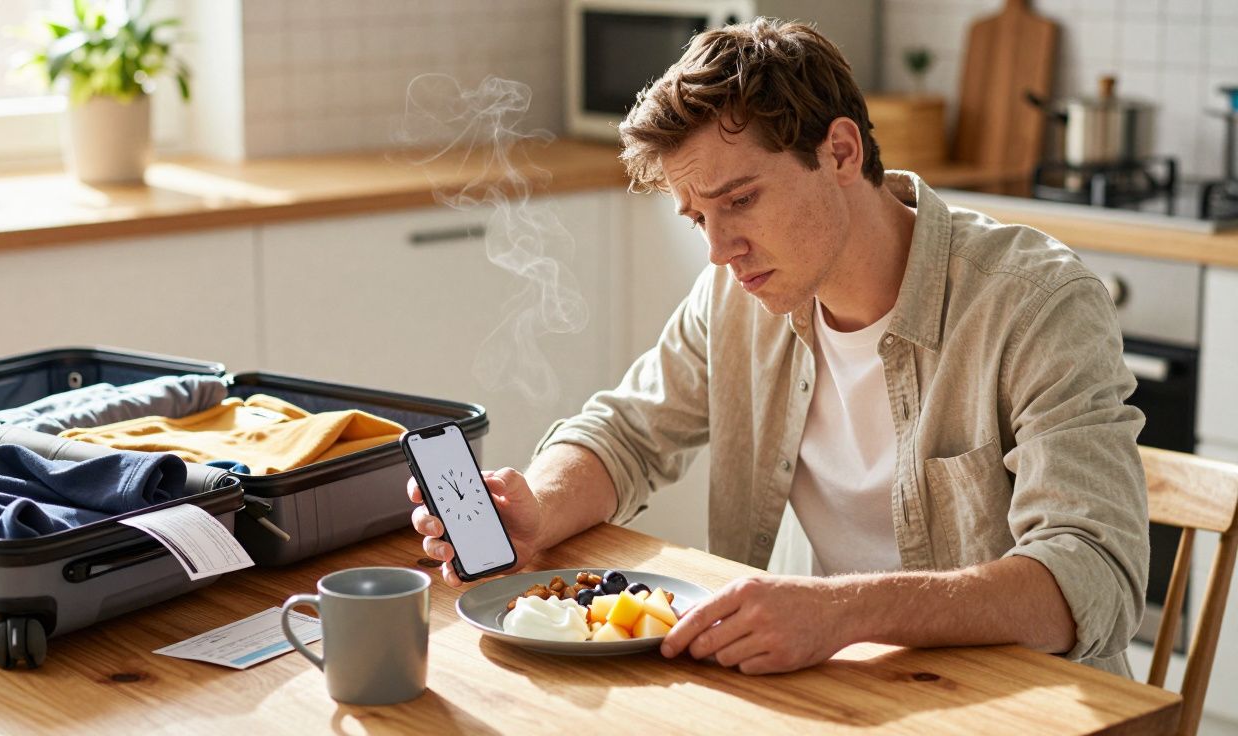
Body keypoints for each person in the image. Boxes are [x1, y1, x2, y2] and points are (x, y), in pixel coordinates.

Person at [408, 18, 1148, 677]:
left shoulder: (1037, 303)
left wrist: (843, 611)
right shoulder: (742, 293)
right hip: (834, 689)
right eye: (698, 217)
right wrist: (539, 504)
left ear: (841, 152)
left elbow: (1091, 577)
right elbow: (628, 432)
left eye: (739, 201)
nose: (720, 250)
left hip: (1023, 706)